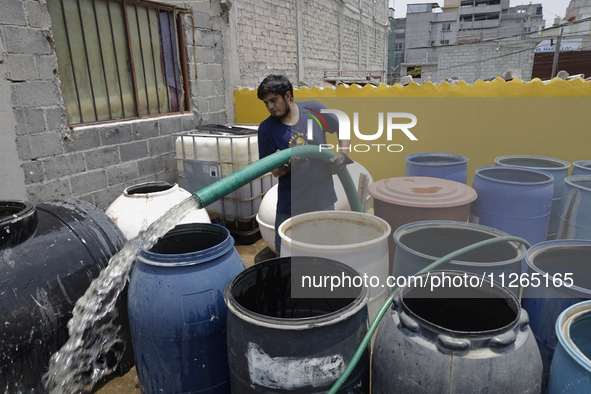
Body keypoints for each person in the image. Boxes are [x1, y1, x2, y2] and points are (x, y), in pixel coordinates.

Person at [257, 75, 352, 255]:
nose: (270, 107)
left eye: (273, 100)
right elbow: (273, 170)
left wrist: (344, 155)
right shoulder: (266, 129)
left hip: (322, 199)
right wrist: (284, 168)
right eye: (266, 103)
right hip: (290, 205)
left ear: (287, 96)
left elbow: (343, 127)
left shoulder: (313, 110)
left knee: (324, 253)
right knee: (285, 256)